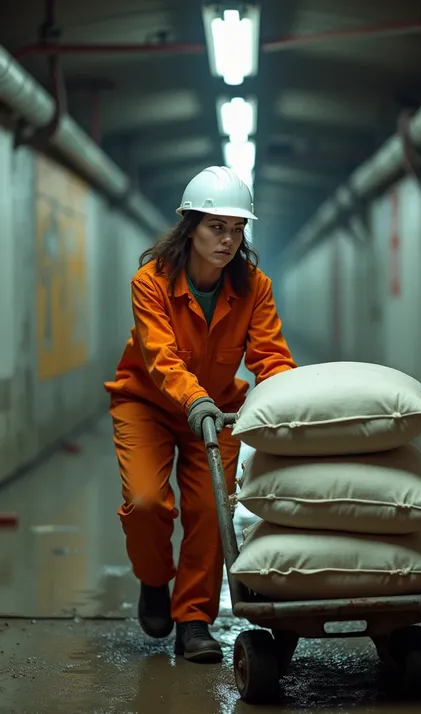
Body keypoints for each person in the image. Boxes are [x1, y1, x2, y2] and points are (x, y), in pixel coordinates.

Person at [104, 166, 297, 663]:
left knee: (211, 514)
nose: (228, 239)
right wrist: (194, 402)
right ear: (190, 226)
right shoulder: (151, 283)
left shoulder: (254, 286)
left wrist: (285, 401)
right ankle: (153, 580)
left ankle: (193, 621)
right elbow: (160, 356)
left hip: (217, 409)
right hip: (147, 403)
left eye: (237, 229)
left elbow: (271, 358)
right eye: (217, 227)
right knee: (147, 503)